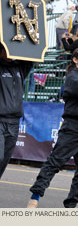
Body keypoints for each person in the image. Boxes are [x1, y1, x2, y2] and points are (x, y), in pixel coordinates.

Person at [27, 47, 78, 208]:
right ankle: (35, 195)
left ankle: (71, 205)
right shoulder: (73, 78)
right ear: (75, 59)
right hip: (73, 127)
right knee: (55, 162)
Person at [0, 43, 33, 179]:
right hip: (0, 120)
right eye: (5, 48)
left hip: (14, 122)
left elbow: (31, 57)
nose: (8, 52)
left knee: (4, 160)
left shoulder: (19, 68)